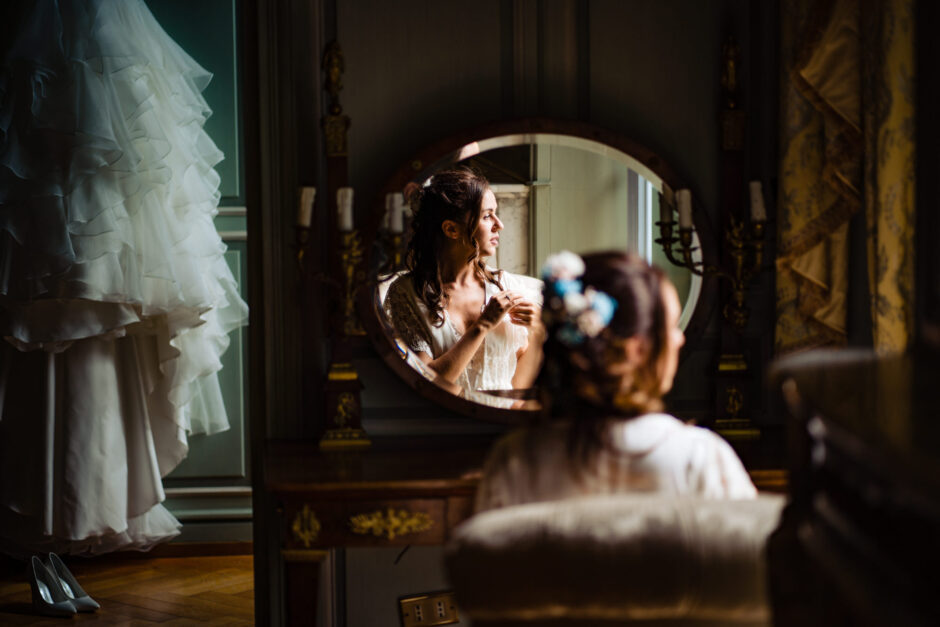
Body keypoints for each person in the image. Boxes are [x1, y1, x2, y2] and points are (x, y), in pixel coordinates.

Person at [475, 251, 756, 511]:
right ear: (636, 349)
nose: (679, 339)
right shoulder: (699, 458)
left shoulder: (514, 462)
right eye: (671, 327)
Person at [384, 167, 544, 397]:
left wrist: (538, 331)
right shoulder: (407, 293)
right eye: (487, 216)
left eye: (495, 213)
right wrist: (482, 326)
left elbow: (518, 387)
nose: (499, 224)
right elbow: (426, 383)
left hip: (504, 421)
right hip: (447, 423)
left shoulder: (506, 287)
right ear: (451, 229)